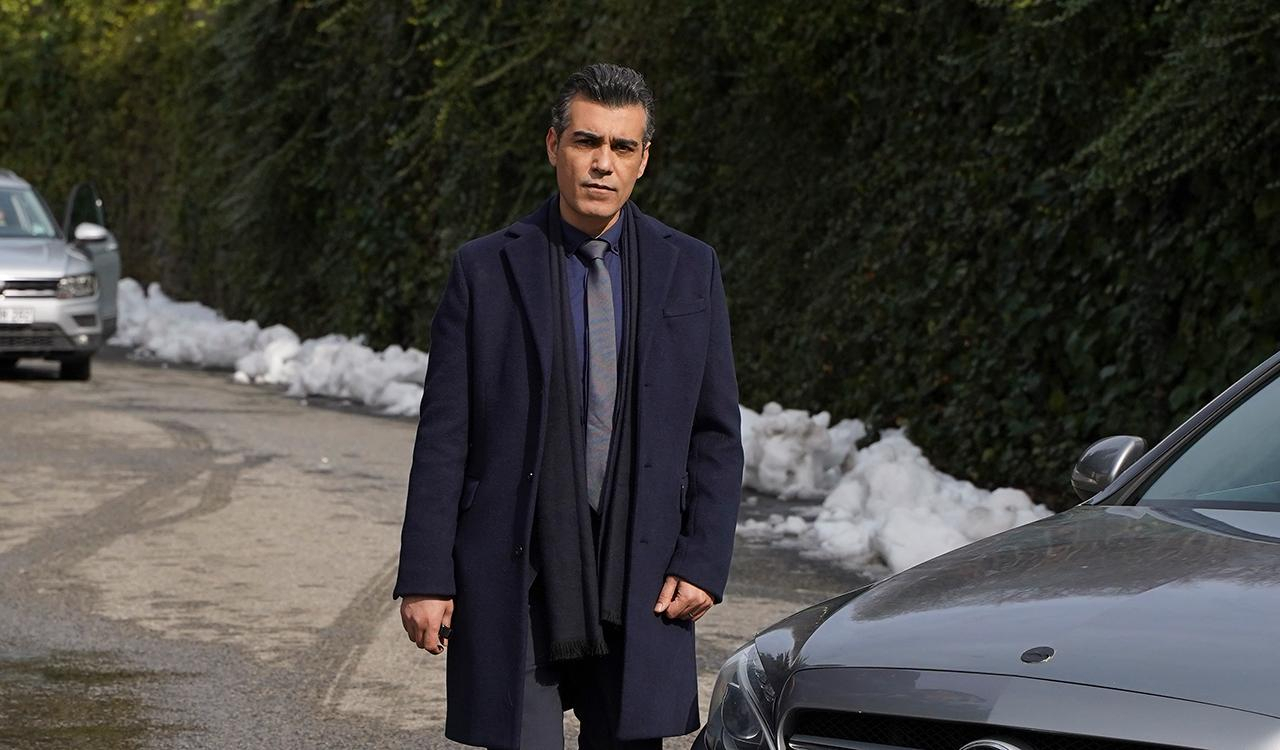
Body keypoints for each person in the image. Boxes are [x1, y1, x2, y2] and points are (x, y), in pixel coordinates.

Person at [394, 63, 743, 750]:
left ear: (644, 159)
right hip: (515, 567)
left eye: (621, 147)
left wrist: (704, 560)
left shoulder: (690, 267)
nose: (602, 163)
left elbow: (715, 432)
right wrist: (426, 576)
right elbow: (444, 435)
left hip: (641, 573)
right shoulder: (484, 270)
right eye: (587, 141)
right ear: (554, 145)